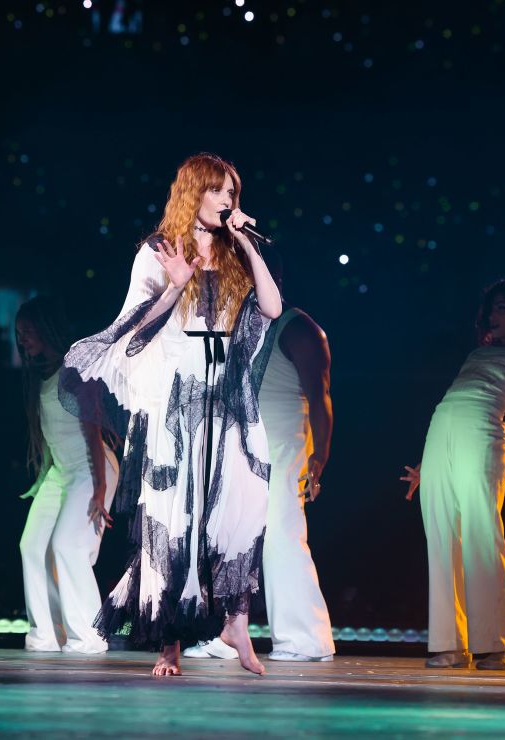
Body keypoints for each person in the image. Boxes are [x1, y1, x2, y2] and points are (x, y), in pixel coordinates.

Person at [59, 153, 282, 676]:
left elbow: (271, 308)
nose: (229, 200)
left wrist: (246, 242)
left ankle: (235, 622)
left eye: (233, 192)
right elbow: (135, 330)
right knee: (173, 514)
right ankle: (169, 641)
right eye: (219, 190)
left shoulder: (233, 252)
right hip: (176, 394)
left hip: (228, 394)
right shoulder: (156, 253)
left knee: (239, 506)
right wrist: (178, 282)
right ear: (194, 192)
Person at [402, 280, 505, 670]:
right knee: (441, 538)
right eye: (492, 308)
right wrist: (427, 465)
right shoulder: (480, 352)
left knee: (481, 535)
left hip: (484, 435)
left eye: (503, 308)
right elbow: (456, 399)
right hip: (441, 432)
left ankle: (504, 645)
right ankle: (449, 643)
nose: (493, 316)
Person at [186, 251, 336, 663]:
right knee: (225, 537)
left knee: (281, 537)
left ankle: (306, 639)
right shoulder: (236, 326)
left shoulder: (299, 328)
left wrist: (319, 456)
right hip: (240, 443)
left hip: (284, 446)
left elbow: (320, 399)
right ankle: (221, 632)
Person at [16, 296, 118, 654]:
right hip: (60, 473)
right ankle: (47, 634)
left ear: (46, 328)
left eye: (28, 330)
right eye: (19, 333)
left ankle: (89, 635)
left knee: (67, 545)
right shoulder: (40, 378)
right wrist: (44, 480)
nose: (23, 338)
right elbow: (48, 439)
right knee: (31, 545)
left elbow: (93, 435)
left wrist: (100, 489)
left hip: (92, 468)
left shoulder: (73, 373)